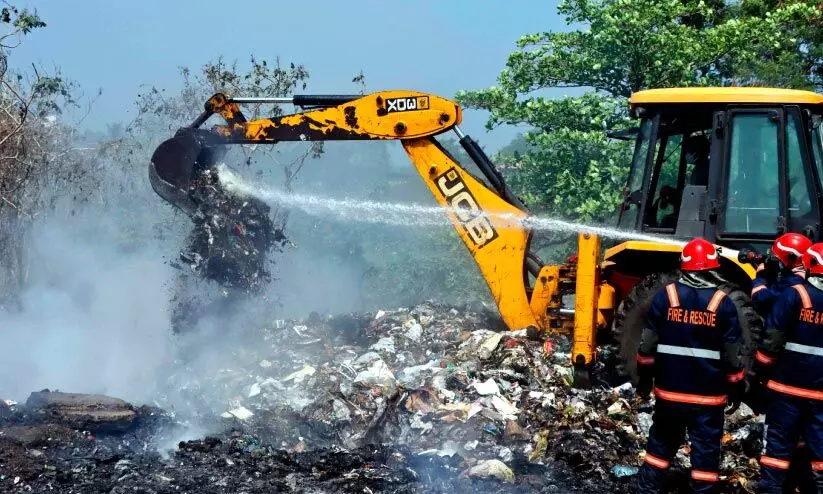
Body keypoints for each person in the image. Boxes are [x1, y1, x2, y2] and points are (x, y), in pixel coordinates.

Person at [633, 237, 745, 494]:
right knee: (705, 453)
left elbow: (647, 345)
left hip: (669, 394)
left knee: (660, 447)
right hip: (707, 399)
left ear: (684, 267)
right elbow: (732, 354)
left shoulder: (666, 296)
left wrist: (645, 378)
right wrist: (736, 385)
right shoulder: (722, 303)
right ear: (712, 268)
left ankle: (646, 490)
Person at [754, 242, 823, 493]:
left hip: (787, 389)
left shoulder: (794, 295)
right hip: (820, 395)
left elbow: (770, 341)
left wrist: (761, 374)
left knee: (777, 450)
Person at [751, 232, 812, 320]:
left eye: (777, 259)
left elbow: (759, 297)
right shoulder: (810, 276)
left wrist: (761, 276)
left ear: (791, 259)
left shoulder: (792, 282)